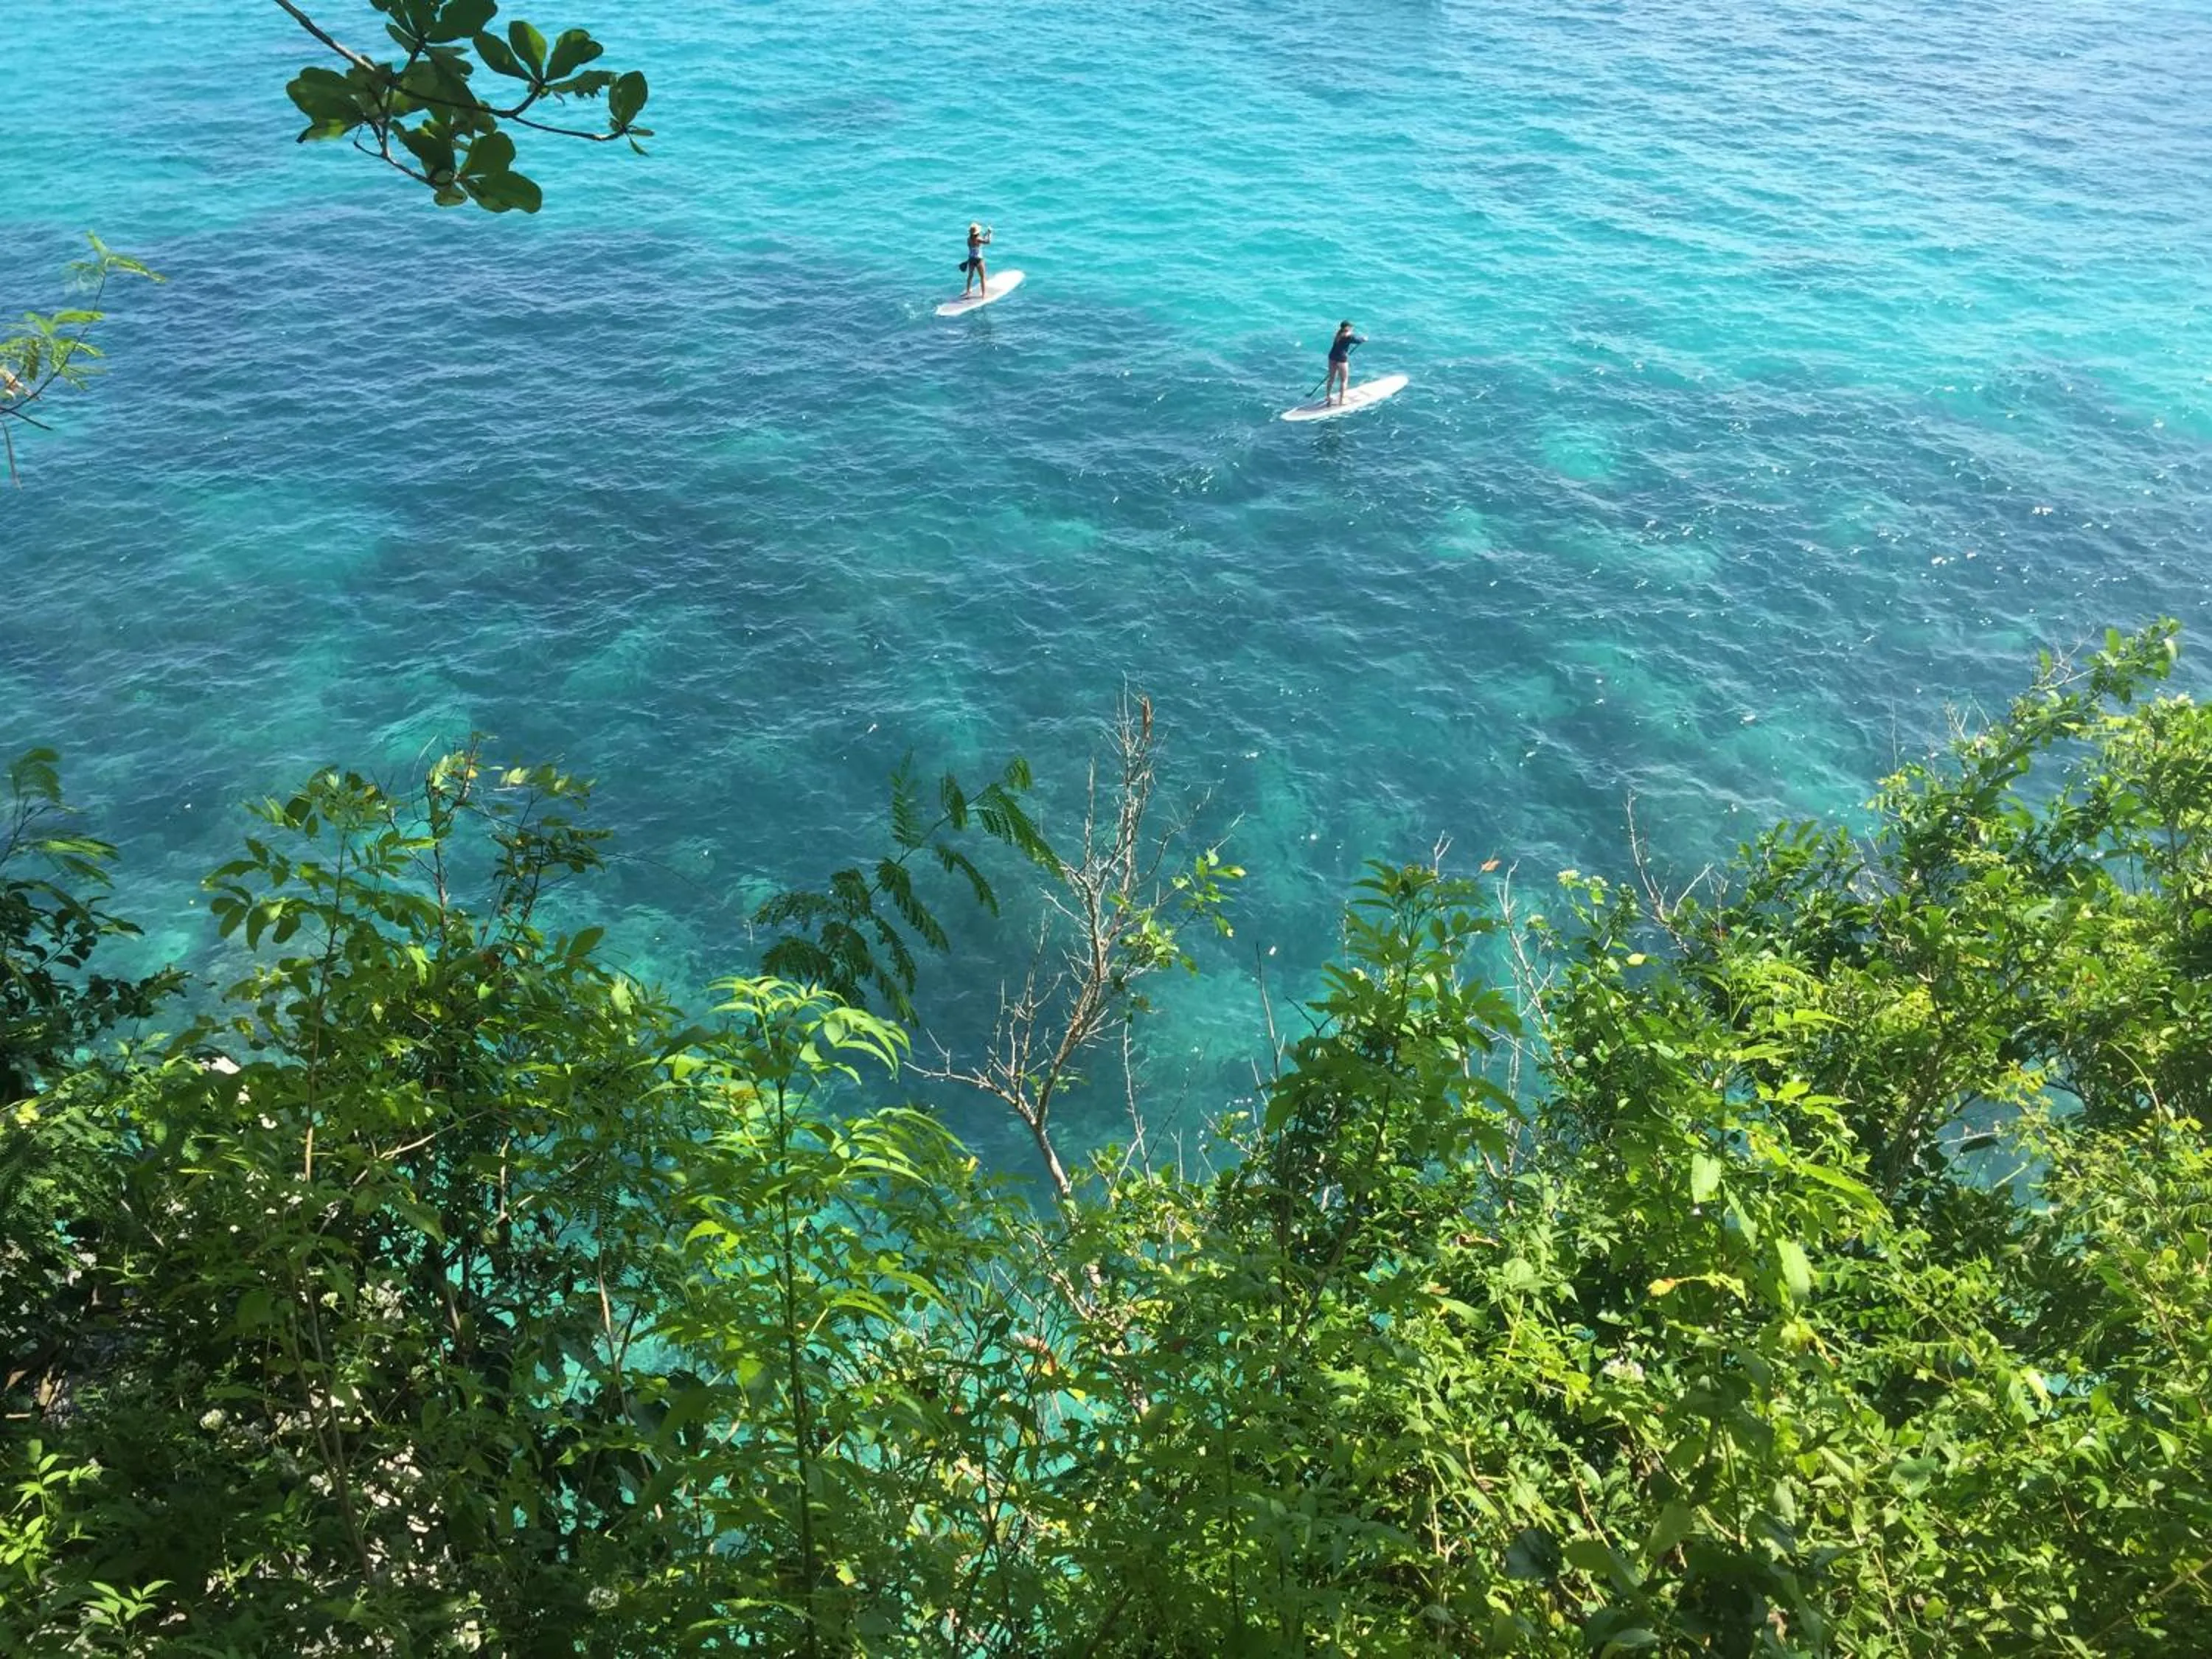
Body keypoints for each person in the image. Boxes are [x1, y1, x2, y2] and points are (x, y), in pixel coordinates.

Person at [1326, 320, 1366, 406]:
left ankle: (1328, 397)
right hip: (1342, 359)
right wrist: (1364, 339)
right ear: (1347, 328)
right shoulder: (1349, 336)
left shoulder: (1337, 334)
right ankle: (1341, 401)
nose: (1352, 328)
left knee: (1331, 378)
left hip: (1332, 357)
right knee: (1344, 380)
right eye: (1351, 327)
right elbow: (1358, 340)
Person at [961, 222, 994, 299]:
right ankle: (983, 295)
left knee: (970, 276)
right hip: (979, 260)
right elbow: (988, 242)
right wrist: (990, 234)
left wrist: (986, 233)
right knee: (982, 277)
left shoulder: (969, 239)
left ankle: (968, 291)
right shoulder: (978, 239)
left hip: (971, 259)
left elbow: (980, 239)